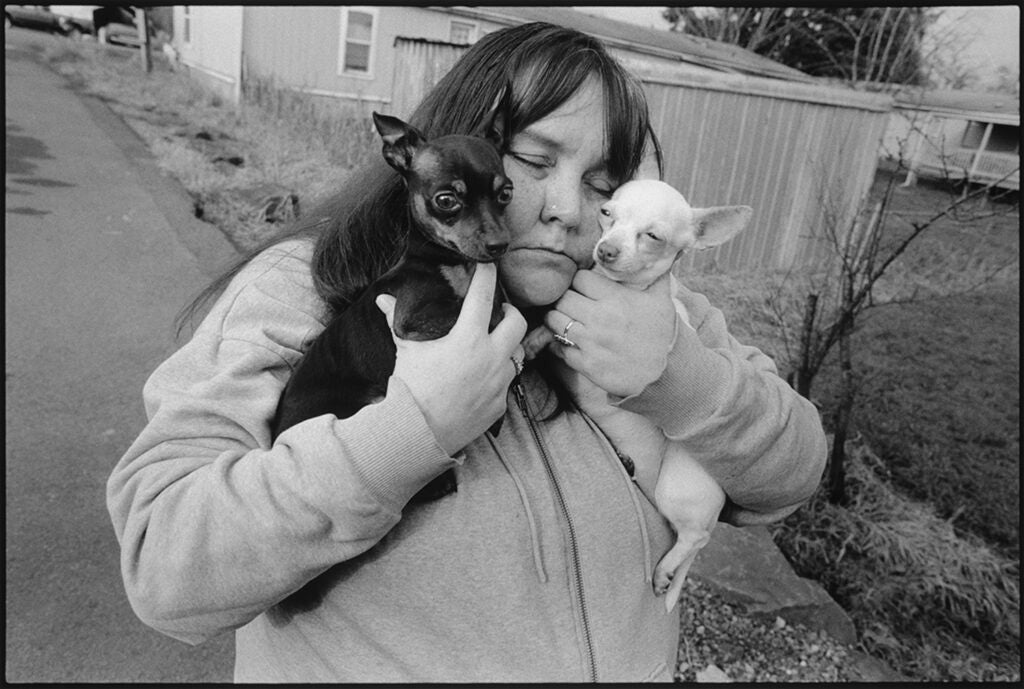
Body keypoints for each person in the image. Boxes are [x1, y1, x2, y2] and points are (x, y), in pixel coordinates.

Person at [107, 22, 827, 682]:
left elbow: (794, 473)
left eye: (604, 183)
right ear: (460, 157)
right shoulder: (307, 288)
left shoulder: (648, 307)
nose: (569, 209)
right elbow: (163, 567)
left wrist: (683, 380)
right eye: (535, 161)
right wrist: (409, 431)